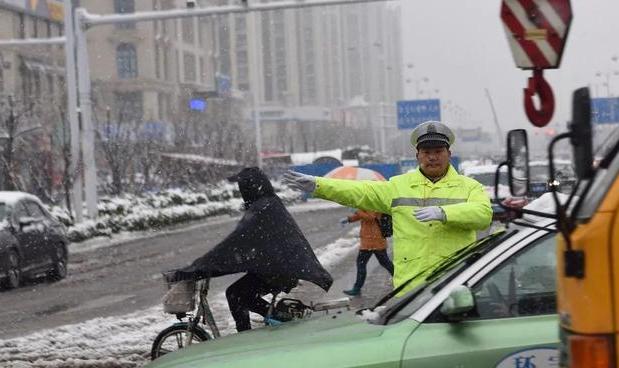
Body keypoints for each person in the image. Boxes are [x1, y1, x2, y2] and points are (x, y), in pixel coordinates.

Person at [284, 121, 492, 294]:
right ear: (417, 155)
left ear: (449, 153)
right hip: (411, 287)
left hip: (455, 282)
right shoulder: (398, 186)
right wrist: (319, 186)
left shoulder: (469, 187)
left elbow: (483, 215)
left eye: (438, 151)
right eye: (427, 152)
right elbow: (360, 191)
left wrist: (444, 213)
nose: (432, 157)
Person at [168, 167, 333, 332]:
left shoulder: (261, 208)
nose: (240, 191)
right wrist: (203, 267)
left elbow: (233, 245)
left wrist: (197, 269)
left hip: (280, 270)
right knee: (242, 295)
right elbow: (239, 245)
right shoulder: (268, 202)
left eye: (241, 186)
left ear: (248, 187)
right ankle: (276, 317)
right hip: (283, 267)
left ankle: (247, 338)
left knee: (235, 295)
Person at [339, 209, 394, 296]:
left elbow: (370, 217)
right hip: (372, 240)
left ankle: (357, 288)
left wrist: (357, 211)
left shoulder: (372, 204)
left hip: (373, 240)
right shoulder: (368, 203)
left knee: (362, 264)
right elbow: (363, 216)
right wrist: (349, 219)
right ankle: (400, 277)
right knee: (384, 262)